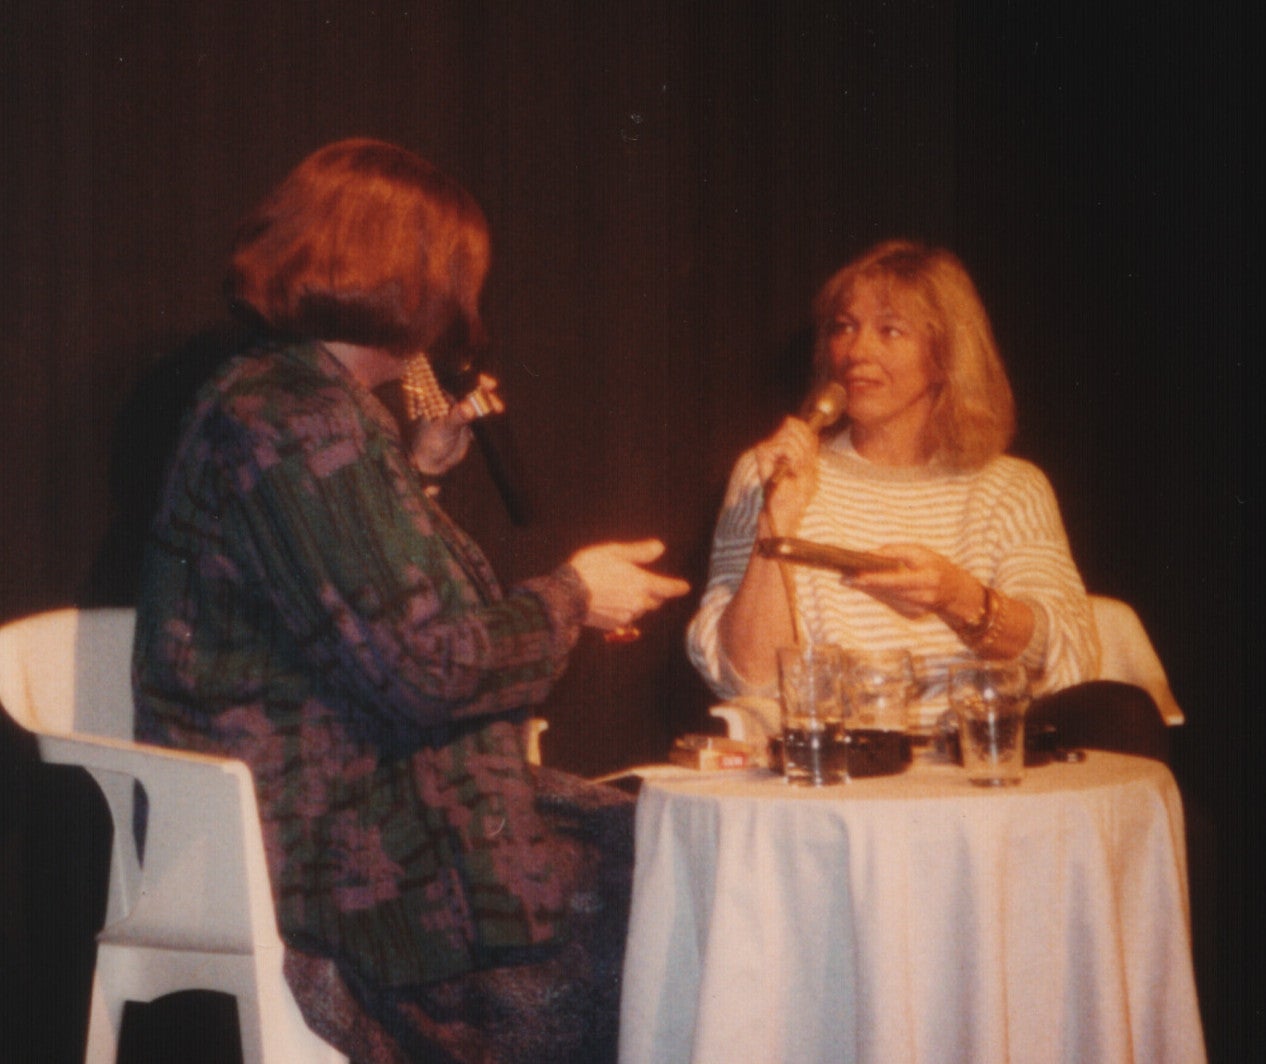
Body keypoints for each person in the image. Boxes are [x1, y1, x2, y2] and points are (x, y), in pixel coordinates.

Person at [132, 138, 689, 1063]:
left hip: (346, 794)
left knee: (657, 839)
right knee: (672, 892)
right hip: (321, 840)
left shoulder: (304, 399)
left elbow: (354, 612)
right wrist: (574, 595)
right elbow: (427, 669)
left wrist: (419, 475)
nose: (461, 306)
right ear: (410, 280)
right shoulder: (301, 416)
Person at [688, 239, 1109, 738]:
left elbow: (1069, 653)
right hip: (840, 759)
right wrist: (776, 519)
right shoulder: (770, 473)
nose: (856, 351)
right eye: (844, 327)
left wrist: (958, 598)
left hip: (978, 754)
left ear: (945, 356)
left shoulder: (1010, 488)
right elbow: (746, 677)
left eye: (889, 330)